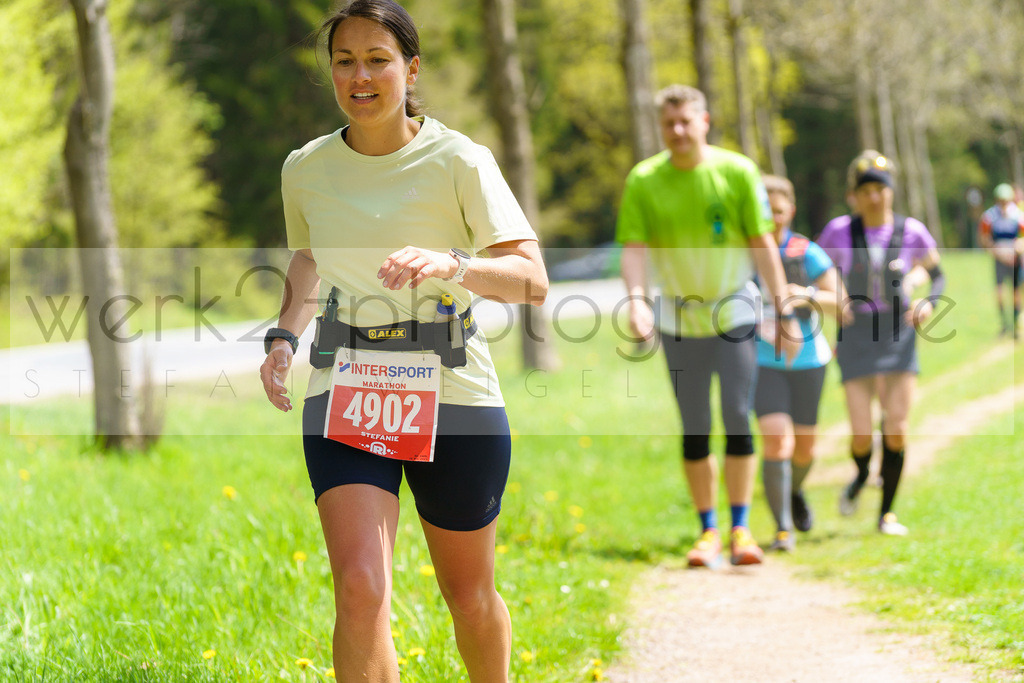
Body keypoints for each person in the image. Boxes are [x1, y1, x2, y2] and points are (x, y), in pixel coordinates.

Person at [259, 2, 548, 680]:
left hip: (452, 386)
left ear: (411, 69)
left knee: (469, 596)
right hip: (348, 383)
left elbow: (532, 280)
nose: (360, 76)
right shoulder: (304, 167)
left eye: (377, 60)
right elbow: (309, 257)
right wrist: (283, 337)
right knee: (360, 586)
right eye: (345, 61)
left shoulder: (460, 159)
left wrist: (454, 263)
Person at [617, 84, 801, 569]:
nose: (678, 131)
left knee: (737, 414)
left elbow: (762, 243)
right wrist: (637, 302)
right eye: (669, 123)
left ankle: (741, 527)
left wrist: (783, 311)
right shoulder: (644, 179)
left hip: (735, 310)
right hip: (677, 316)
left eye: (686, 121)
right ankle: (708, 532)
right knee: (695, 422)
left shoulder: (736, 171)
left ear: (704, 121)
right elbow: (634, 249)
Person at [816, 151, 943, 536]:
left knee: (896, 426)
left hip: (897, 330)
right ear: (854, 195)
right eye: (866, 190)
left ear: (891, 191)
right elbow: (816, 269)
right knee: (860, 431)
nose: (874, 197)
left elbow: (937, 274)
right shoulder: (838, 231)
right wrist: (832, 296)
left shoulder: (912, 231)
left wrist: (928, 302)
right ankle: (859, 477)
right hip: (856, 331)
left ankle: (886, 513)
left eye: (880, 189)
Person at [755, 175, 848, 552]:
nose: (772, 218)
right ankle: (782, 529)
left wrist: (805, 294)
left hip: (809, 360)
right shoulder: (745, 251)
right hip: (761, 359)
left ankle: (793, 491)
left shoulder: (805, 251)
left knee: (805, 450)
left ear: (791, 211)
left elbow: (841, 302)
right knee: (777, 441)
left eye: (778, 211)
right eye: (765, 210)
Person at [978, 182, 1024, 338]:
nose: (1004, 203)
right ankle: (1004, 325)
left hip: (1015, 259)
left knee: (1015, 292)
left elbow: (1022, 237)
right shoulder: (989, 217)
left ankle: (1016, 323)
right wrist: (997, 251)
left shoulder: (1018, 215)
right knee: (999, 291)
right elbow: (985, 239)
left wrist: (1018, 248)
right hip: (999, 258)